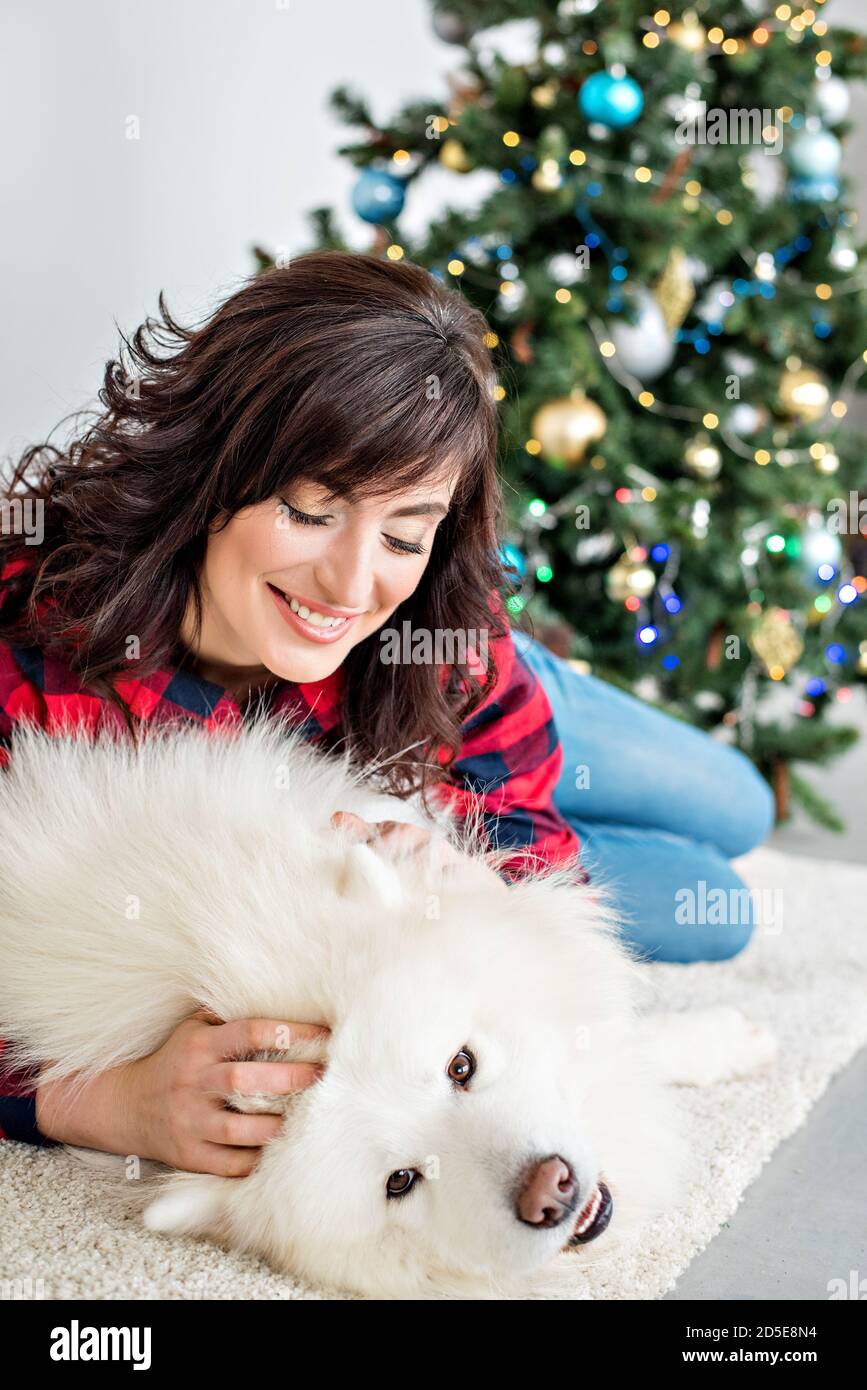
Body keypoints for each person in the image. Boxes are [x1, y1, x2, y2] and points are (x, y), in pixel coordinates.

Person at [0, 250, 773, 1173]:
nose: (353, 581)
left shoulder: (431, 614)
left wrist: (468, 879)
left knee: (740, 805)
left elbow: (532, 840)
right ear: (211, 467)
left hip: (466, 710)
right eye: (310, 510)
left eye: (406, 532)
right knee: (718, 906)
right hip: (432, 776)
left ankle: (542, 688)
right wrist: (99, 1102)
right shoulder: (37, 657)